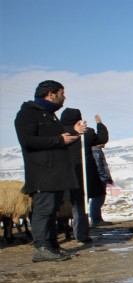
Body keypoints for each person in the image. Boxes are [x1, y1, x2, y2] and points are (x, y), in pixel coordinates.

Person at [14, 80, 86, 262]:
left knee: (52, 210)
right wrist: (59, 140)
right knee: (44, 209)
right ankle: (41, 248)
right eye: (62, 93)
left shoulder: (49, 115)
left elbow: (55, 135)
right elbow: (28, 140)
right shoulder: (28, 114)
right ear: (50, 94)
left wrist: (72, 131)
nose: (64, 97)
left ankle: (52, 246)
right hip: (42, 172)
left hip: (56, 172)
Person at [60, 109, 109, 243]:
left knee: (60, 206)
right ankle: (81, 234)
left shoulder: (58, 134)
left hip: (62, 175)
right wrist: (100, 124)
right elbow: (103, 138)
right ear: (78, 120)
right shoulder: (86, 133)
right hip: (83, 174)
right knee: (80, 205)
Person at [90, 143, 114, 227]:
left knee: (98, 198)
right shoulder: (96, 151)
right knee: (98, 198)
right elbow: (99, 166)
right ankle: (95, 219)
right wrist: (106, 176)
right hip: (100, 178)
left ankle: (97, 218)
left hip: (99, 178)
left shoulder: (96, 150)